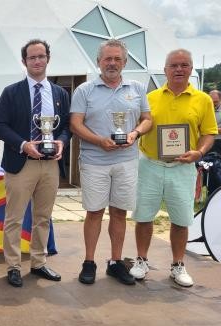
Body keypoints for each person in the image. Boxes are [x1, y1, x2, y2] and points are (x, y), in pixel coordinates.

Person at [130, 49, 217, 287]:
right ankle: (141, 260)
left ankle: (178, 265)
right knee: (144, 216)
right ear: (165, 69)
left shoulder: (203, 99)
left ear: (191, 69)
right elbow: (138, 126)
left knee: (180, 219)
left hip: (183, 167)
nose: (179, 69)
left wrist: (198, 152)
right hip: (150, 165)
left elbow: (209, 133)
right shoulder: (150, 97)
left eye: (184, 65)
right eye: (174, 65)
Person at [69, 39, 153, 285]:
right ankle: (89, 261)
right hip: (95, 161)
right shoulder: (84, 90)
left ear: (125, 62)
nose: (112, 63)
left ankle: (116, 262)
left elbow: (147, 119)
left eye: (117, 59)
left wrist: (134, 133)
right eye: (108, 59)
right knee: (94, 212)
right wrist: (98, 141)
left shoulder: (136, 88)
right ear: (99, 62)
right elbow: (75, 123)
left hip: (126, 161)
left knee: (119, 212)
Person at [0, 39, 71, 287]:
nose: (37, 61)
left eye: (41, 56)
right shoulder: (11, 92)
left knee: (43, 217)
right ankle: (13, 266)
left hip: (49, 165)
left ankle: (38, 262)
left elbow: (67, 126)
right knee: (14, 218)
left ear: (48, 58)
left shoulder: (59, 93)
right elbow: (0, 126)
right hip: (21, 162)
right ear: (24, 61)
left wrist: (61, 142)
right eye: (32, 57)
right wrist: (24, 144)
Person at [208, 90, 221, 154]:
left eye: (215, 102)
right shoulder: (206, 108)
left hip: (218, 142)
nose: (213, 104)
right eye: (211, 102)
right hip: (206, 142)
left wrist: (210, 129)